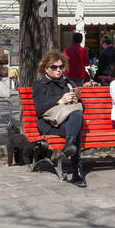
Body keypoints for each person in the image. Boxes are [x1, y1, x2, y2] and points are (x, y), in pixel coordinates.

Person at [31, 50, 87, 187]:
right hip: (50, 124)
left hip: (68, 122)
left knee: (77, 114)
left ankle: (68, 145)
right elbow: (40, 109)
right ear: (46, 69)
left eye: (61, 67)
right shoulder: (40, 85)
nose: (58, 70)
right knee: (76, 130)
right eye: (54, 67)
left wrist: (75, 100)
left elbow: (82, 107)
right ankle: (77, 172)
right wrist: (60, 100)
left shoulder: (68, 83)